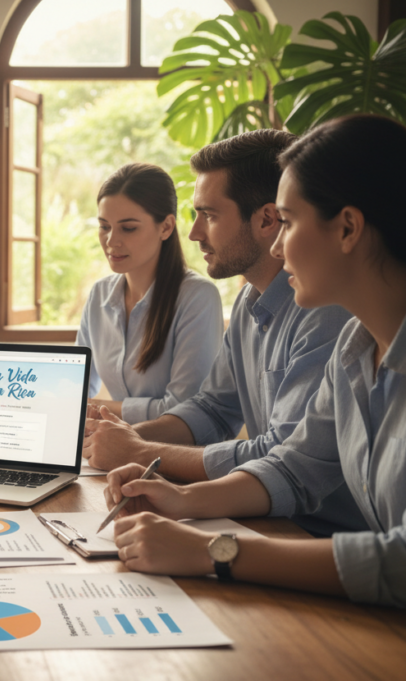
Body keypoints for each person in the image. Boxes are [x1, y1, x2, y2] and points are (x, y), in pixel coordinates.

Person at [105, 114, 406, 607]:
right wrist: (180, 499)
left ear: (348, 228)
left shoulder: (335, 326)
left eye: (288, 223)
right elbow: (296, 466)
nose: (279, 246)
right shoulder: (356, 345)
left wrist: (212, 551)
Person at [82, 129, 364, 537]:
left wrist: (140, 451)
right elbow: (213, 408)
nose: (194, 233)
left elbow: (280, 456)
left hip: (318, 533)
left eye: (209, 216)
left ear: (267, 220)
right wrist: (124, 441)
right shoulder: (250, 302)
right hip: (263, 518)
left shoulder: (327, 313)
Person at [77, 163, 223, 424]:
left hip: (172, 447)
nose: (111, 241)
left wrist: (97, 407)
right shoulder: (99, 295)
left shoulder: (197, 297)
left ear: (166, 227)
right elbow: (76, 390)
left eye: (128, 228)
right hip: (113, 444)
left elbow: (183, 409)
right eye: (104, 226)